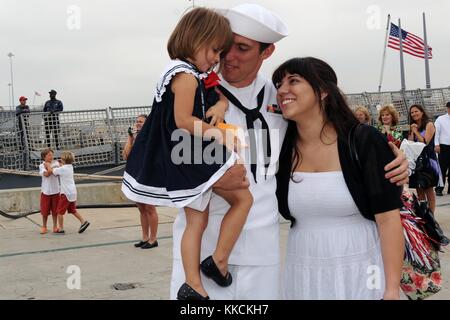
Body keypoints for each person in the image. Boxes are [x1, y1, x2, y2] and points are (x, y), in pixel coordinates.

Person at [170, 3, 410, 300]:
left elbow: (326, 135)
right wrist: (213, 180)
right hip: (202, 244)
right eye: (225, 46)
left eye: (242, 49)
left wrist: (395, 158)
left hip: (262, 249)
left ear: (267, 52)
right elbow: (163, 156)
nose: (228, 57)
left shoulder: (282, 99)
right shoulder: (193, 92)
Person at [121, 7, 253, 300]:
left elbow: (215, 98)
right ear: (195, 38)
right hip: (190, 152)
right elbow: (182, 120)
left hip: (183, 154)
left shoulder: (187, 73)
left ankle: (193, 283)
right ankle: (217, 261)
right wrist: (220, 133)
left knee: (197, 221)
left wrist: (218, 107)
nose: (217, 58)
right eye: (214, 49)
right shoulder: (187, 77)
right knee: (244, 198)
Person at [273, 57, 404, 300]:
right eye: (279, 84)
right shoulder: (280, 145)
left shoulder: (363, 140)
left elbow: (388, 219)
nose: (282, 90)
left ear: (322, 91)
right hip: (303, 268)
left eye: (293, 81)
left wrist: (391, 290)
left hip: (361, 267)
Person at [122, 114, 159, 249]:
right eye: (137, 122)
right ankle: (145, 237)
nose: (137, 124)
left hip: (148, 175)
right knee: (141, 208)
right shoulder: (135, 137)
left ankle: (153, 239)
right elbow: (126, 155)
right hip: (135, 174)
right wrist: (130, 137)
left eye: (141, 122)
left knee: (149, 207)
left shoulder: (151, 136)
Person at [46, 151, 90, 234]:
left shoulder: (62, 169)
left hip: (65, 193)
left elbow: (52, 171)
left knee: (59, 212)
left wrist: (48, 165)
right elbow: (62, 168)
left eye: (61, 158)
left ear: (64, 160)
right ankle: (83, 222)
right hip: (72, 192)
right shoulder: (70, 167)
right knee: (72, 210)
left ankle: (61, 228)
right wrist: (60, 164)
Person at [408, 104, 440, 213]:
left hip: (428, 160)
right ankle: (423, 214)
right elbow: (410, 143)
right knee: (419, 188)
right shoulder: (414, 126)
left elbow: (425, 142)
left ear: (422, 112)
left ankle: (431, 215)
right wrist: (412, 131)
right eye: (412, 112)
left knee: (429, 189)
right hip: (417, 161)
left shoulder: (429, 124)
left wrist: (416, 131)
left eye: (416, 111)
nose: (414, 114)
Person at [39, 148, 60, 234]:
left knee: (55, 210)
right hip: (46, 191)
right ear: (44, 157)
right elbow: (47, 174)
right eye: (49, 155)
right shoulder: (41, 166)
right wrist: (49, 168)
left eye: (52, 155)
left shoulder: (56, 163)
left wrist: (49, 167)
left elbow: (56, 173)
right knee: (45, 210)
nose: (51, 157)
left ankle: (55, 226)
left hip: (55, 190)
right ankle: (44, 226)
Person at [434, 101, 450, 196]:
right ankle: (439, 188)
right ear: (447, 108)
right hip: (443, 147)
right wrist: (436, 144)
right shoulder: (440, 119)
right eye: (449, 107)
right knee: (442, 169)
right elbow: (436, 133)